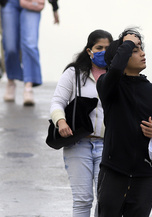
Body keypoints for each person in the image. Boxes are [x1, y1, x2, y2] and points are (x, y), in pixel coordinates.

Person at [96, 29, 152, 217]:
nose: (143, 53)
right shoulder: (109, 86)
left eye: (141, 49)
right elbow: (114, 71)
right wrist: (127, 43)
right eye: (135, 50)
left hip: (145, 177)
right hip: (113, 173)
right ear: (121, 56)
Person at [50, 29, 113, 217]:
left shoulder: (117, 76)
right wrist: (60, 122)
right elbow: (57, 102)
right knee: (82, 199)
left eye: (107, 48)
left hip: (107, 145)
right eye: (98, 48)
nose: (103, 51)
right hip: (78, 143)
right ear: (89, 51)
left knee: (105, 200)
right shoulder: (74, 73)